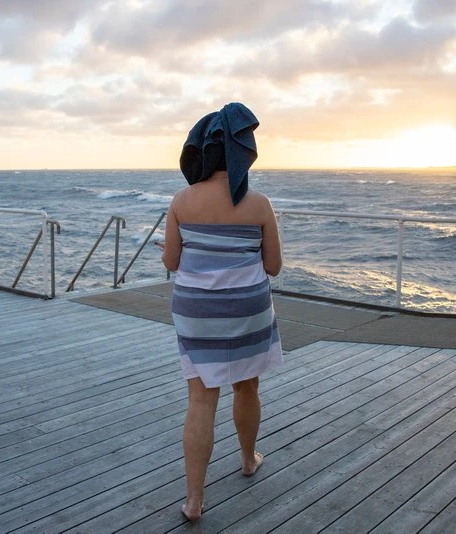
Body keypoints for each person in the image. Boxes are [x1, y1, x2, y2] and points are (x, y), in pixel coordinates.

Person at [161, 102, 283, 521]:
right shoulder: (260, 204)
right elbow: (273, 267)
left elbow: (173, 264)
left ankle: (194, 500)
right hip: (247, 307)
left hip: (197, 310)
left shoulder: (182, 200)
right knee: (246, 387)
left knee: (201, 397)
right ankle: (248, 459)